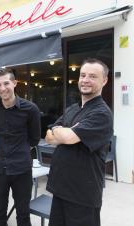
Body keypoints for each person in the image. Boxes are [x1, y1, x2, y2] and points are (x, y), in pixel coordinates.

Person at [45, 58, 113, 226]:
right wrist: (63, 132)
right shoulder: (73, 109)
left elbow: (67, 137)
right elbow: (49, 136)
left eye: (92, 76)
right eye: (83, 75)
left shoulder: (101, 113)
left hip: (83, 195)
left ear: (104, 81)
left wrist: (65, 134)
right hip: (60, 188)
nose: (85, 80)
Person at [0, 68, 41, 226]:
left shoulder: (31, 109)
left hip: (21, 169)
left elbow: (34, 139)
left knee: (23, 213)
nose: (2, 88)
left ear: (15, 83)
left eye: (6, 83)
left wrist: (20, 152)